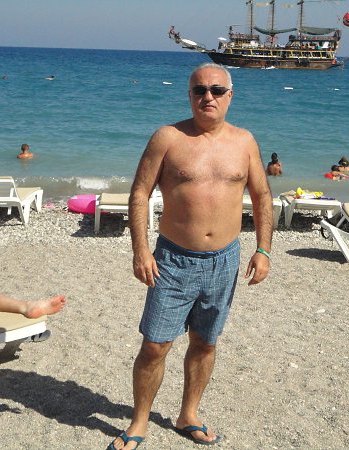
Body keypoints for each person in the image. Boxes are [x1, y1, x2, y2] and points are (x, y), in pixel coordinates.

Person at [110, 63, 273, 450]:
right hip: (173, 260)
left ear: (230, 96)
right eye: (200, 90)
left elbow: (262, 195)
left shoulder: (245, 142)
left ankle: (189, 414)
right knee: (155, 345)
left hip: (224, 261)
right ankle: (139, 421)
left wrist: (263, 249)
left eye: (216, 90)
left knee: (205, 343)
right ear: (189, 95)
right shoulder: (168, 137)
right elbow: (139, 193)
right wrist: (140, 250)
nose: (208, 97)